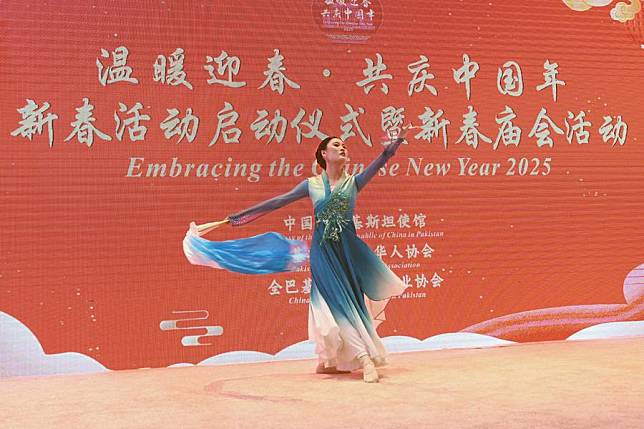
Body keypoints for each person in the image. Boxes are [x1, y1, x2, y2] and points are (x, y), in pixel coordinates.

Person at [191, 125, 412, 383]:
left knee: (351, 303)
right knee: (336, 303)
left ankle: (331, 360)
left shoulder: (354, 183)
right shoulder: (312, 185)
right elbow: (276, 202)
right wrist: (236, 219)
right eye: (336, 145)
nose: (343, 148)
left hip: (347, 253)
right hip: (322, 253)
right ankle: (363, 358)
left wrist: (394, 145)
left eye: (344, 145)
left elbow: (384, 159)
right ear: (323, 154)